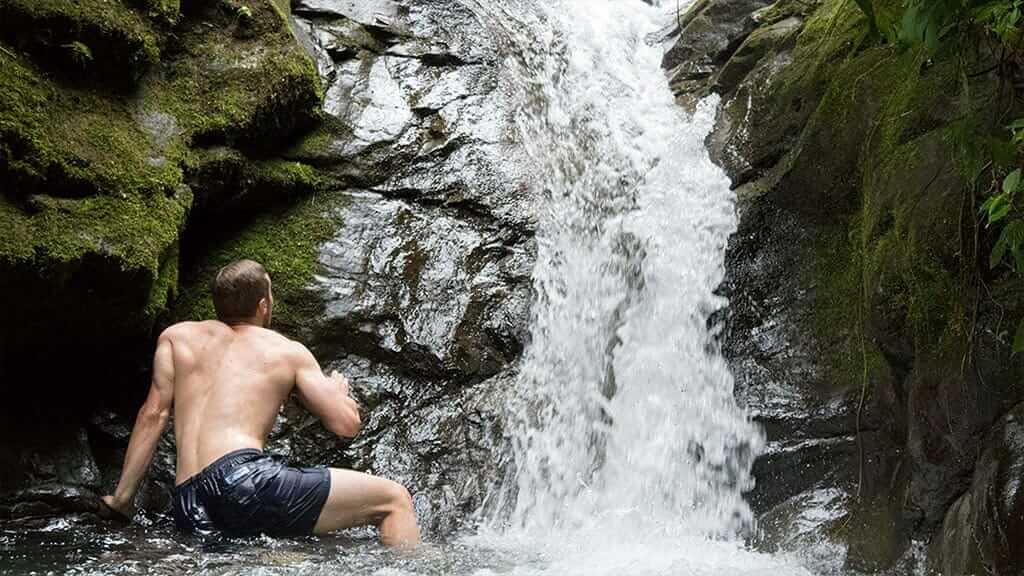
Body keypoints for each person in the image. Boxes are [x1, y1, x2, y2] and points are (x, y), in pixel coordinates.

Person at [99, 259, 420, 547]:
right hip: (244, 482)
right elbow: (346, 425)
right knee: (394, 500)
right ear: (264, 305)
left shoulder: (176, 337)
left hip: (188, 501)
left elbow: (152, 415)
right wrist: (338, 394)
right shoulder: (284, 350)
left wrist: (123, 498)